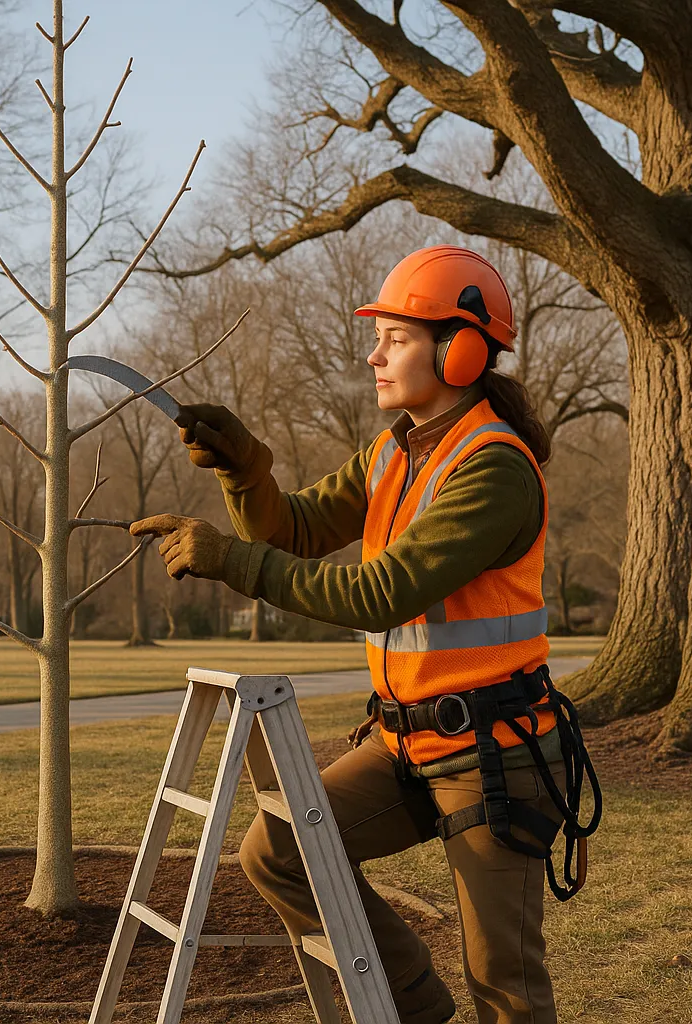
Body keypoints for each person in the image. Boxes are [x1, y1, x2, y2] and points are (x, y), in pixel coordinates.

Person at [131, 245, 600, 1024]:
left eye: (397, 338)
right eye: (379, 336)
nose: (374, 354)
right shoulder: (395, 449)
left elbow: (381, 592)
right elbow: (301, 529)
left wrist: (231, 560)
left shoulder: (494, 469)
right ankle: (414, 1006)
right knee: (279, 855)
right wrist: (245, 470)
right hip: (405, 744)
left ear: (461, 349)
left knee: (504, 982)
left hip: (497, 755)